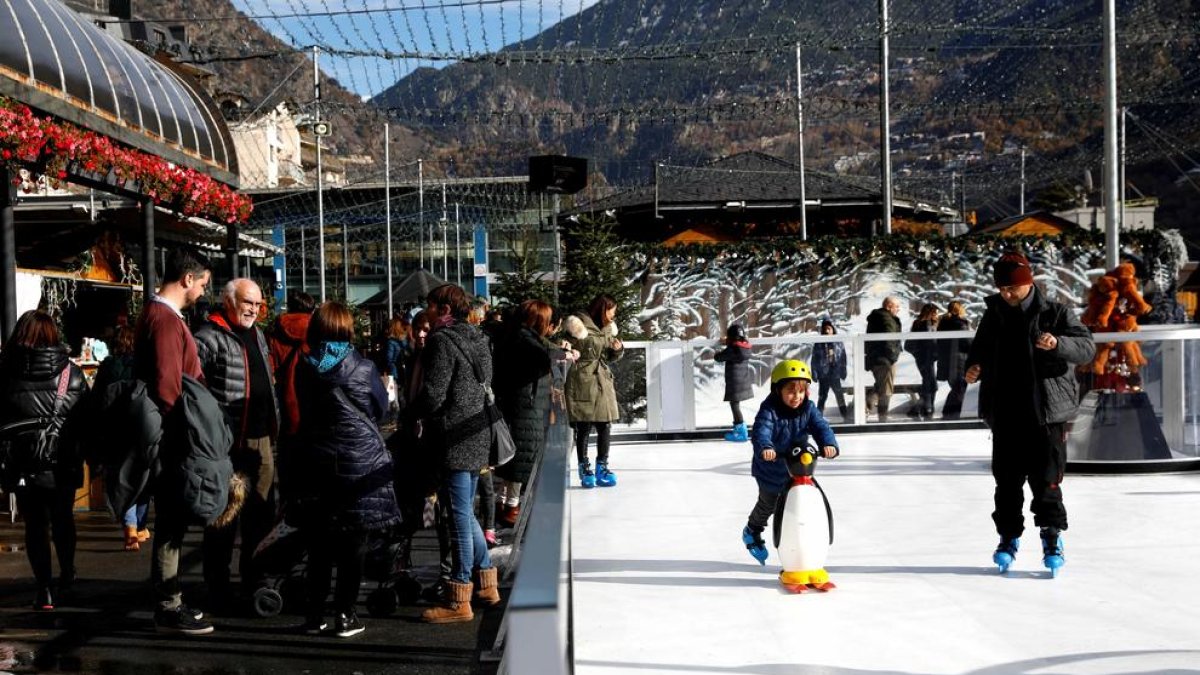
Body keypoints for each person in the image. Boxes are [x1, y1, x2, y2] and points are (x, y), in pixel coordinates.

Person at [964, 251, 1095, 575]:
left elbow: (1086, 348)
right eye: (1002, 289)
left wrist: (1058, 344)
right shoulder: (994, 315)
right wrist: (974, 368)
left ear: (1029, 282)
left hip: (1045, 416)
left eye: (1013, 288)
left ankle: (1052, 537)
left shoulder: (1055, 312)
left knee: (1046, 482)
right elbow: (979, 351)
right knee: (1006, 484)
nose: (1007, 294)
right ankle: (1008, 538)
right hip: (1005, 413)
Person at [289, 301, 400, 637]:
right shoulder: (364, 367)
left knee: (319, 542)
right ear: (347, 330)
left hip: (318, 461)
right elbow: (381, 410)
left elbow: (301, 409)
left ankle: (314, 614)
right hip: (359, 463)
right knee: (354, 544)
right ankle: (345, 614)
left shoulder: (304, 367)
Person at [134, 246, 214, 635]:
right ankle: (168, 605)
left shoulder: (158, 314)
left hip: (169, 431)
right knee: (170, 520)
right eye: (203, 284)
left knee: (172, 520)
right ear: (187, 279)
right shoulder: (166, 320)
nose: (203, 291)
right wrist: (189, 429)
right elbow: (169, 385)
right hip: (174, 434)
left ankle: (170, 600)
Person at [413, 284, 502, 624]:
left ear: (444, 309)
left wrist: (411, 413)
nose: (427, 312)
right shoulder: (480, 337)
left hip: (452, 436)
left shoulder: (441, 341)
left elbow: (434, 394)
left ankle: (459, 598)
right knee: (464, 512)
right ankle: (487, 584)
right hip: (477, 432)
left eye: (431, 306)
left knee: (459, 517)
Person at [193, 278, 279, 611]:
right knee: (223, 517)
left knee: (261, 512)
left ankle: (254, 576)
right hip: (227, 443)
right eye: (247, 302)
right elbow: (194, 388)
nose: (253, 310)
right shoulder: (209, 337)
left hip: (261, 439)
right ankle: (217, 585)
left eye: (258, 304)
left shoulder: (257, 334)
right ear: (228, 302)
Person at [0, 310, 87, 610]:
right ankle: (67, 573)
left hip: (23, 462)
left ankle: (44, 589)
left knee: (35, 525)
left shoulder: (5, 373)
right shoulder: (71, 374)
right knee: (63, 518)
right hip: (62, 459)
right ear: (53, 336)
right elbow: (85, 418)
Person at [741, 360, 838, 565]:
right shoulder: (769, 410)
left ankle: (803, 541)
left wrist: (828, 443)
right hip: (771, 470)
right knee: (769, 504)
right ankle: (752, 530)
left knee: (803, 504)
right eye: (791, 392)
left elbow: (821, 427)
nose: (797, 397)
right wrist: (766, 448)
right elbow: (761, 431)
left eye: (801, 391)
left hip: (799, 467)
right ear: (778, 390)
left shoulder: (808, 408)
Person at [493, 300, 557, 529]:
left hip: (520, 407)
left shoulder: (514, 337)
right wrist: (560, 354)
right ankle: (511, 508)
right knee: (521, 460)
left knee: (514, 461)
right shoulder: (523, 340)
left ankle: (504, 505)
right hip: (525, 409)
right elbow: (543, 359)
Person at [89, 324, 149, 552]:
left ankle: (131, 526)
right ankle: (139, 525)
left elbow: (96, 400)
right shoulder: (143, 365)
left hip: (114, 429)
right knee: (143, 475)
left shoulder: (108, 365)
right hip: (140, 426)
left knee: (123, 477)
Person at [564, 294, 624, 488]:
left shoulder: (608, 328)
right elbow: (563, 346)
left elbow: (608, 356)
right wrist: (567, 349)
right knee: (584, 424)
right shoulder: (577, 325)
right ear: (602, 309)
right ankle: (584, 467)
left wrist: (617, 349)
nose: (613, 316)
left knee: (605, 424)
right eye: (611, 311)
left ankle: (602, 466)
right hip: (582, 378)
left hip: (602, 379)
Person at [267, 291, 315, 442]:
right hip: (312, 397)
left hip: (282, 398)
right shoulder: (317, 329)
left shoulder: (274, 329)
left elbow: (269, 364)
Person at [714, 323, 753, 442]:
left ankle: (741, 432)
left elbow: (718, 357)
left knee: (734, 405)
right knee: (735, 405)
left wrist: (717, 350)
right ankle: (740, 430)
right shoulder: (745, 347)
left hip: (735, 382)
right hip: (743, 381)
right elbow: (736, 344)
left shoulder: (733, 349)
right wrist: (727, 342)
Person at [865, 297, 902, 421]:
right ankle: (882, 418)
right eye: (897, 307)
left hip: (876, 359)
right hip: (885, 360)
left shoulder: (877, 317)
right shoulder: (886, 318)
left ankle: (870, 405)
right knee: (886, 391)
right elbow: (889, 339)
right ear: (889, 306)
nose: (898, 309)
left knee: (881, 387)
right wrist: (892, 356)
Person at [936, 300, 972, 419]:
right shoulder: (960, 324)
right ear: (960, 310)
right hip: (959, 362)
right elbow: (967, 342)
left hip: (946, 362)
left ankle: (949, 414)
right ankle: (951, 415)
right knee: (960, 388)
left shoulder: (943, 324)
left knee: (956, 388)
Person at [905, 303, 940, 419]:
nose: (937, 315)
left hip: (926, 358)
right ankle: (926, 409)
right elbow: (928, 343)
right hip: (925, 358)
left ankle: (922, 408)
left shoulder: (923, 323)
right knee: (931, 384)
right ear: (930, 313)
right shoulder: (925, 324)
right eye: (935, 313)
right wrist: (921, 353)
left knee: (930, 383)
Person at [809, 319, 849, 420]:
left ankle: (845, 416)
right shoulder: (819, 343)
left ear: (833, 329)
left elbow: (843, 358)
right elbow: (814, 359)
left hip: (835, 374)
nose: (827, 331)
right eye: (825, 329)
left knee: (839, 396)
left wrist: (843, 371)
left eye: (829, 329)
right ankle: (818, 418)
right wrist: (814, 373)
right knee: (822, 397)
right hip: (823, 375)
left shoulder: (838, 342)